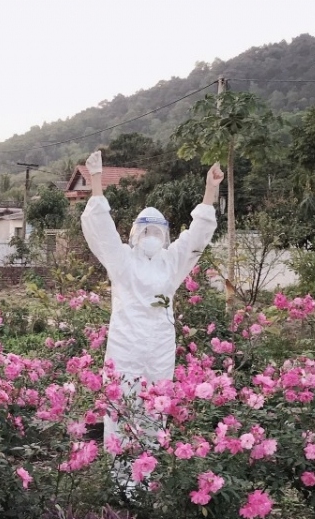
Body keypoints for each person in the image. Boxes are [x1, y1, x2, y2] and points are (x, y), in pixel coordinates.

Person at [80, 150, 223, 446]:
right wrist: (95, 180)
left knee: (156, 405)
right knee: (120, 405)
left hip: (159, 345)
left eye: (156, 231)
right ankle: (120, 476)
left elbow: (195, 239)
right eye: (145, 230)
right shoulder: (122, 260)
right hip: (125, 345)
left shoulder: (171, 263)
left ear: (165, 235)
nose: (150, 235)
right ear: (134, 232)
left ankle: (148, 470)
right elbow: (103, 232)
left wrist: (210, 191)